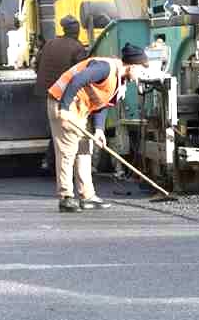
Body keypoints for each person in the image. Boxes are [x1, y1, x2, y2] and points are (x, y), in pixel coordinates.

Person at [45, 43, 151, 213]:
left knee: (85, 150)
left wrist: (99, 130)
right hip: (62, 102)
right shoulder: (105, 68)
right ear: (132, 65)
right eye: (141, 69)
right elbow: (78, 79)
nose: (141, 75)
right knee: (68, 150)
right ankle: (66, 198)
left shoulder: (120, 80)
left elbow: (102, 103)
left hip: (80, 107)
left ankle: (87, 196)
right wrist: (63, 108)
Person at [33, 16, 89, 170]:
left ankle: (50, 161)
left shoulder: (50, 43)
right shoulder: (77, 48)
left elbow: (36, 64)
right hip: (63, 93)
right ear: (76, 31)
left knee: (54, 128)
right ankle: (54, 163)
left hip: (45, 91)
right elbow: (81, 74)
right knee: (64, 130)